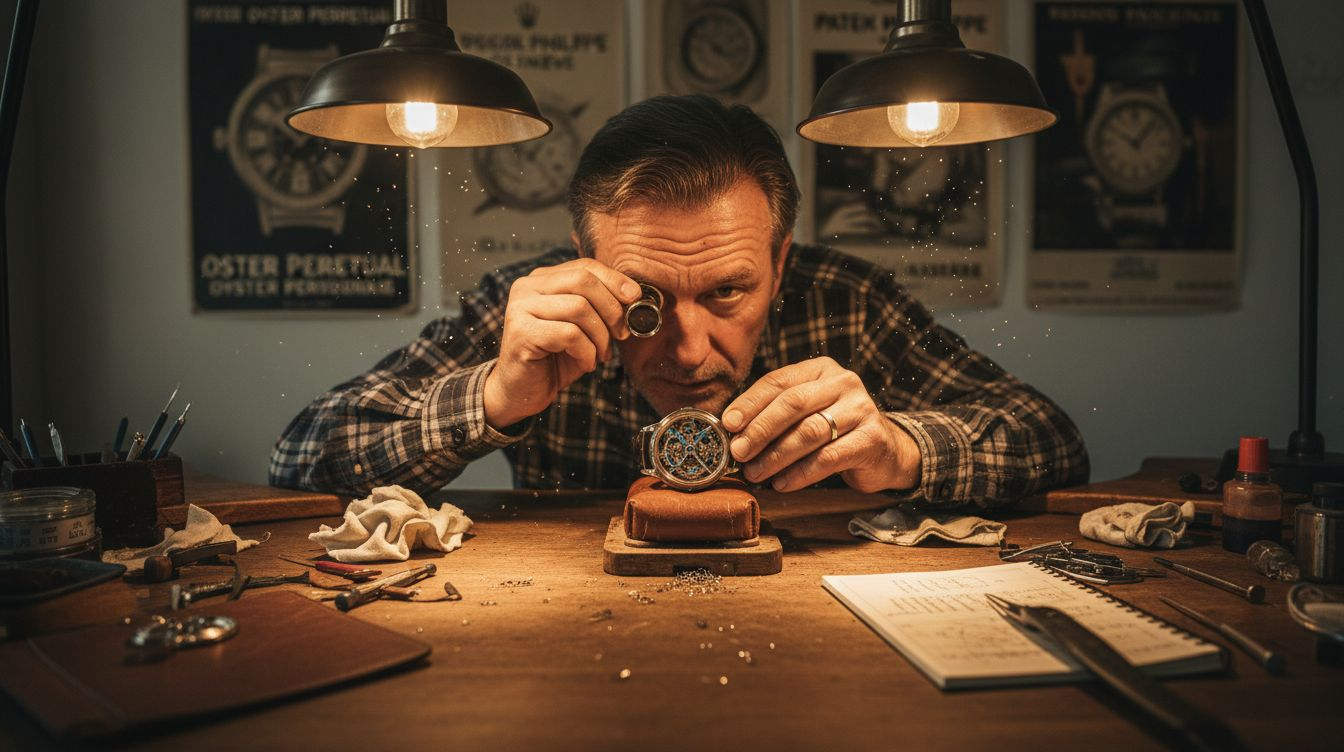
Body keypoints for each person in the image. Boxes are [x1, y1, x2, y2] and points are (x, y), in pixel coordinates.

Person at [270, 95, 1088, 507]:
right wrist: (492, 400)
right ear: (585, 259)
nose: (690, 351)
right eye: (647, 301)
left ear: (780, 261)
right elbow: (300, 457)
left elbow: (1052, 442)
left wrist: (901, 451)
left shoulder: (845, 304)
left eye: (730, 290)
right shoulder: (533, 317)